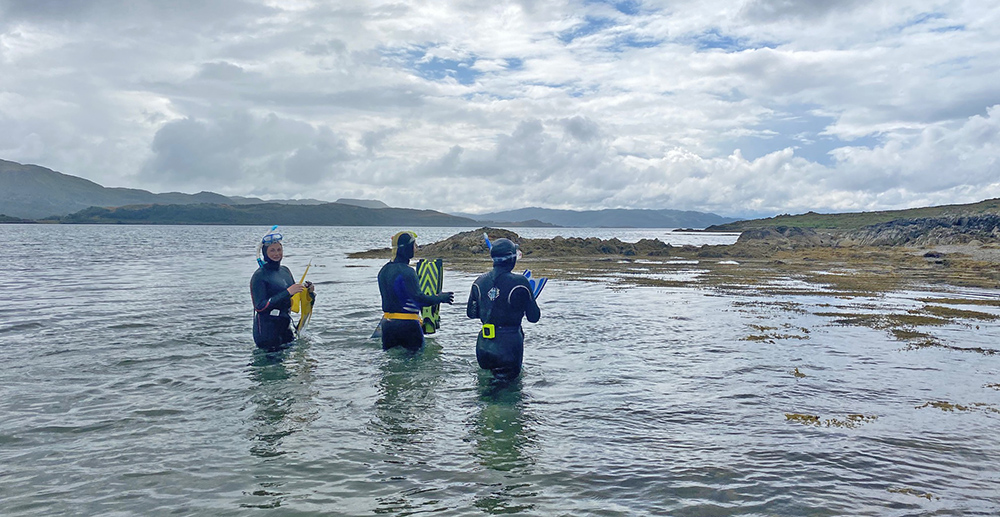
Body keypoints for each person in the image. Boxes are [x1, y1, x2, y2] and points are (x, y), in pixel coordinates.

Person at [467, 238, 540, 380]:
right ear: (511, 258)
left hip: (484, 345)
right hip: (508, 345)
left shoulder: (479, 281)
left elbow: (471, 313)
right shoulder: (520, 282)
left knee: (487, 389)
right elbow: (534, 317)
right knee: (508, 393)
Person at [377, 231, 454, 351]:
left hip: (387, 325)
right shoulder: (408, 272)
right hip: (408, 325)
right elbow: (419, 299)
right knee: (415, 362)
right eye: (414, 246)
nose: (416, 249)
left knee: (391, 363)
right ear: (407, 249)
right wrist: (441, 298)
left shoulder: (383, 271)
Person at [250, 228, 314, 351]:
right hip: (267, 333)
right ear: (265, 253)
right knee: (270, 369)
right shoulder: (259, 276)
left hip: (285, 328)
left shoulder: (285, 271)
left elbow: (294, 295)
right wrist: (288, 292)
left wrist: (308, 290)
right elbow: (260, 306)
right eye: (272, 250)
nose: (276, 253)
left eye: (279, 250)